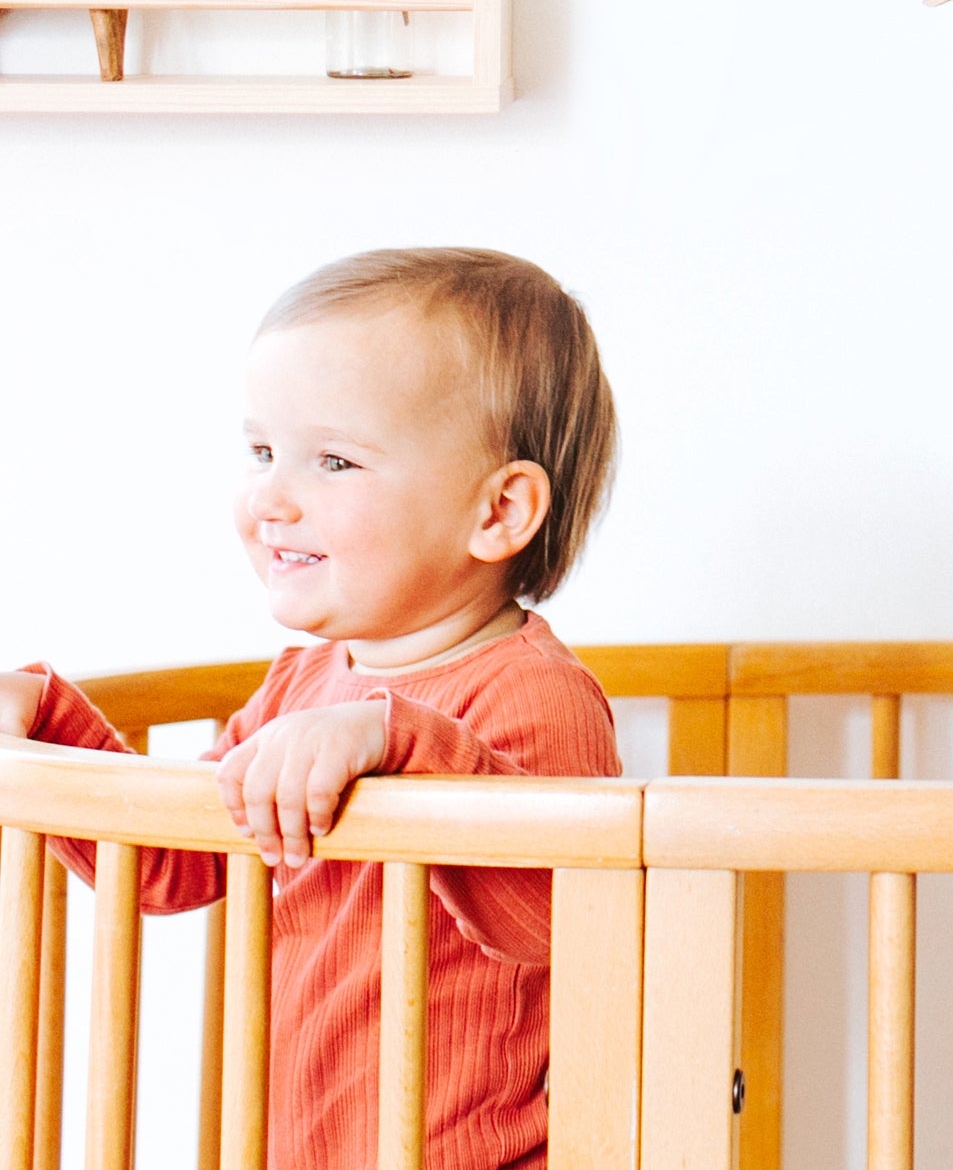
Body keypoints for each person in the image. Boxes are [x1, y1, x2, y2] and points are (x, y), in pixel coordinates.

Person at [0, 247, 621, 1170]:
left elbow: (549, 921)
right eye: (262, 453)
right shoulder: (302, 683)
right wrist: (47, 716)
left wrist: (400, 739)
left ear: (497, 511)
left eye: (333, 460)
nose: (270, 498)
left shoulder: (532, 691)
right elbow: (176, 858)